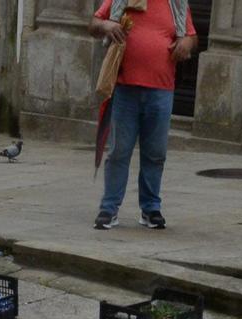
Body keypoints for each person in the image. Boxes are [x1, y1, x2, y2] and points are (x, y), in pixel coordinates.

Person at [89, 0, 199, 230]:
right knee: (119, 151)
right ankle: (109, 208)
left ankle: (150, 209)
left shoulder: (175, 3)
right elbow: (94, 23)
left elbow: (191, 36)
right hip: (124, 87)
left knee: (155, 153)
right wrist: (108, 26)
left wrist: (186, 45)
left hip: (161, 89)